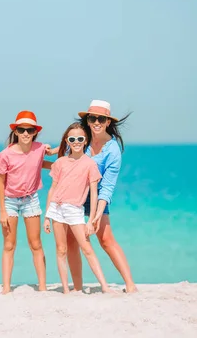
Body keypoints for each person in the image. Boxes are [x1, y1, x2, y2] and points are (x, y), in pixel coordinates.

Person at [47, 100, 137, 293]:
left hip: (97, 196)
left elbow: (107, 189)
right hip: (74, 196)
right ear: (87, 120)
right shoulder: (84, 137)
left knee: (105, 239)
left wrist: (96, 215)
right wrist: (53, 151)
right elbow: (70, 147)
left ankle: (130, 284)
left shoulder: (112, 151)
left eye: (101, 119)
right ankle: (77, 287)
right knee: (71, 242)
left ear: (107, 122)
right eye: (92, 118)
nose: (96, 122)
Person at [43, 122, 112, 294]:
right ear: (67, 140)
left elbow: (94, 194)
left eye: (80, 138)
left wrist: (92, 220)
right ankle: (66, 290)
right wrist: (46, 216)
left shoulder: (90, 164)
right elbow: (53, 189)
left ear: (85, 140)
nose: (76, 142)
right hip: (56, 209)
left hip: (75, 210)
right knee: (61, 249)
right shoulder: (60, 163)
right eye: (72, 138)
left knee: (87, 248)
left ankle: (105, 286)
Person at [0, 110, 53, 294]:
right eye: (22, 130)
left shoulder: (40, 148)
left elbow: (42, 161)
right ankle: (6, 289)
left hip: (31, 200)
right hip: (10, 202)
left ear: (35, 131)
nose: (26, 133)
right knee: (9, 245)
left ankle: (42, 288)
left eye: (29, 130)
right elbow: (1, 182)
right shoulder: (5, 155)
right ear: (16, 131)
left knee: (36, 244)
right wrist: (2, 211)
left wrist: (66, 162)